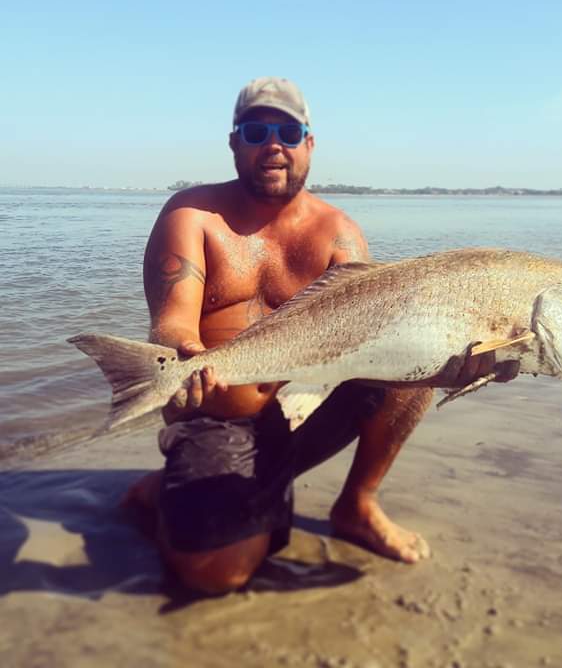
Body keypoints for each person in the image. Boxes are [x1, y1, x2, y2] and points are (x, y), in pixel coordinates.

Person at [124, 77, 512, 594]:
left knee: (411, 362)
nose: (273, 145)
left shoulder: (339, 233)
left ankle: (357, 503)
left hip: (305, 411)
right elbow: (173, 319)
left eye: (288, 130)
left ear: (309, 142)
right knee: (218, 576)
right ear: (234, 141)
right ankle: (163, 494)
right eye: (257, 130)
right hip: (221, 417)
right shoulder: (191, 215)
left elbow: (382, 330)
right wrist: (184, 355)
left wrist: (459, 365)